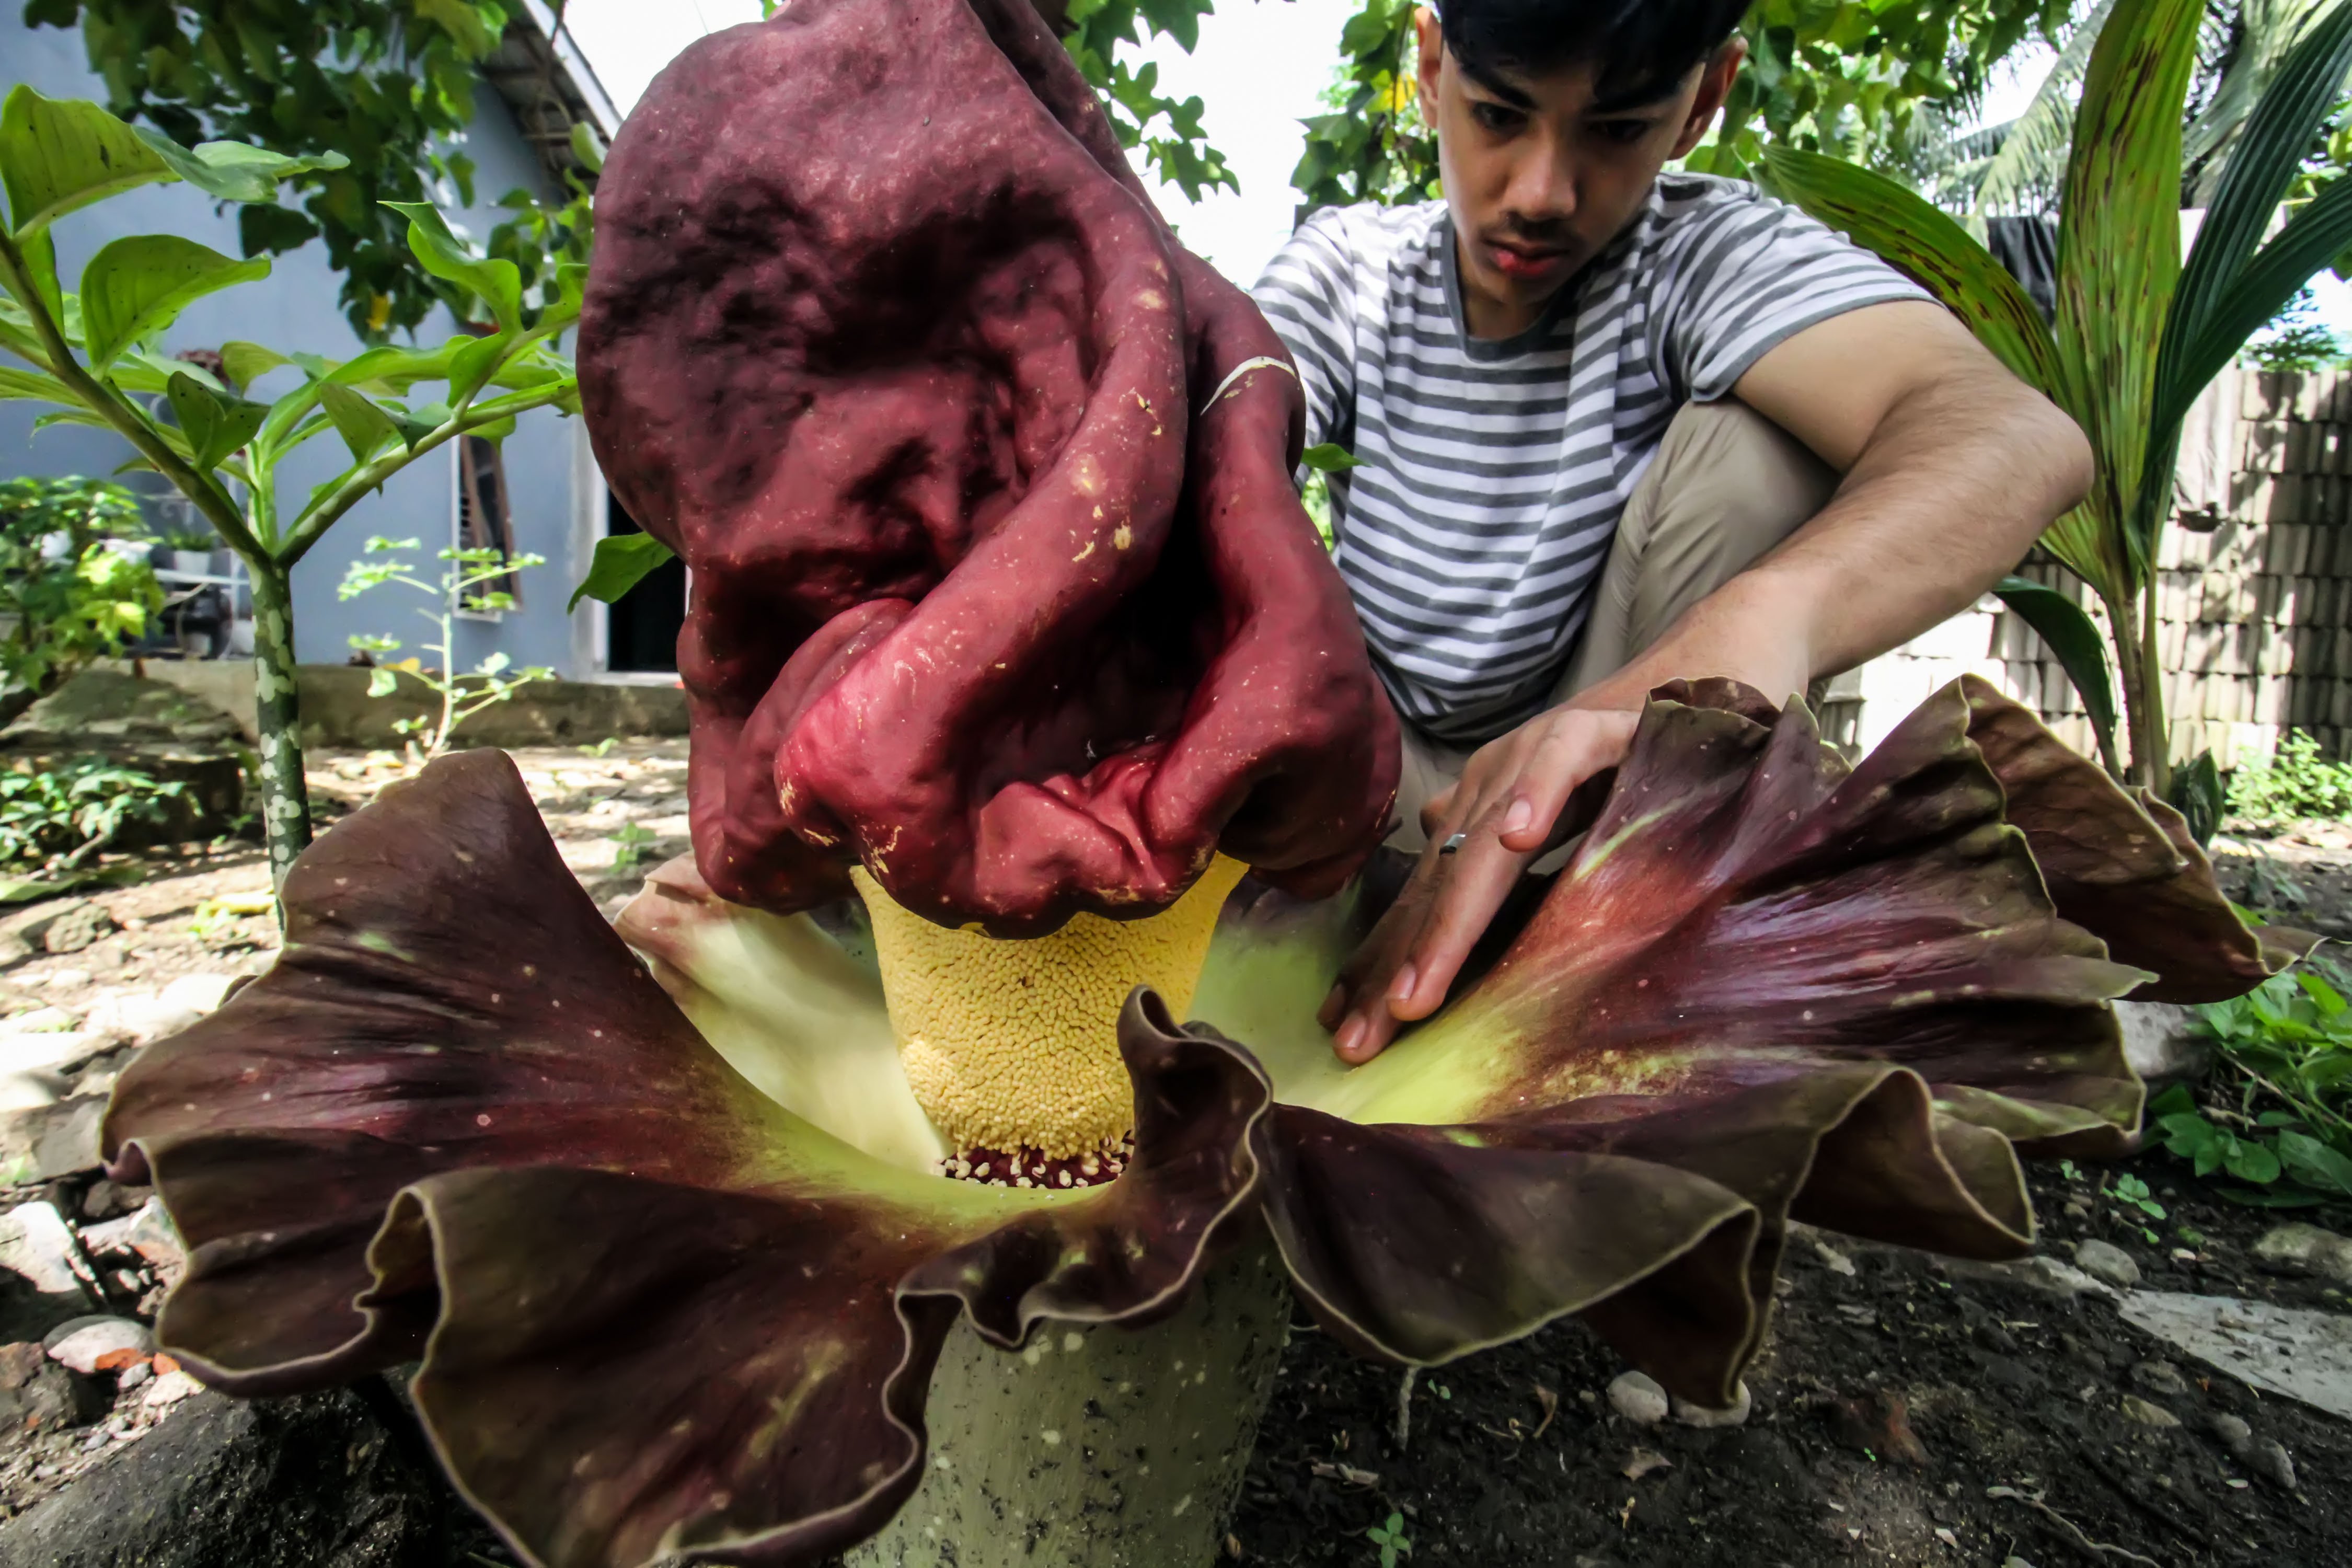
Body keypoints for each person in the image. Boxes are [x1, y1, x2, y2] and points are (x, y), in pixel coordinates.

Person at [1251, 0, 2094, 1064]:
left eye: (1614, 131)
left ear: (1704, 100)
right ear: (1428, 67)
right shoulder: (1350, 274)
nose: (1541, 193)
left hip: (1604, 789)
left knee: (1765, 448)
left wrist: (1742, 639)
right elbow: (1189, 465)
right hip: (1362, 784)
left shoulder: (1705, 256)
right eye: (1499, 115)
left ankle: (1615, 943)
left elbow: (2016, 435)